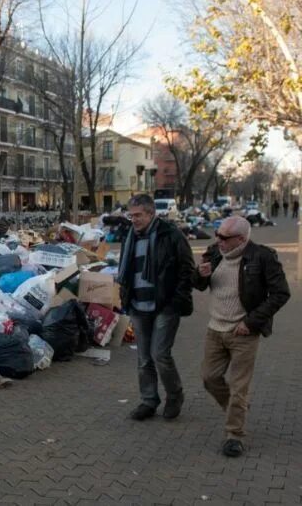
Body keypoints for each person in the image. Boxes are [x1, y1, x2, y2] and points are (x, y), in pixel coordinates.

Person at [192, 216, 289, 457]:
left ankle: (234, 435)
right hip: (215, 329)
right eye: (217, 234)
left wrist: (251, 321)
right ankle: (238, 408)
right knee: (209, 377)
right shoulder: (214, 252)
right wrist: (200, 274)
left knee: (239, 386)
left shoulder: (263, 257)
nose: (218, 240)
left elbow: (280, 293)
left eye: (224, 237)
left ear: (241, 239)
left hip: (243, 331)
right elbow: (199, 284)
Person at [117, 194, 195, 421]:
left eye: (138, 215)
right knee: (143, 359)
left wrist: (175, 301)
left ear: (151, 214)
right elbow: (126, 271)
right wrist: (125, 298)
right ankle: (148, 400)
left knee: (160, 354)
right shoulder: (129, 236)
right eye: (131, 215)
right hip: (138, 305)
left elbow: (187, 269)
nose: (134, 220)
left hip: (164, 305)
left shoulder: (170, 235)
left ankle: (175, 395)